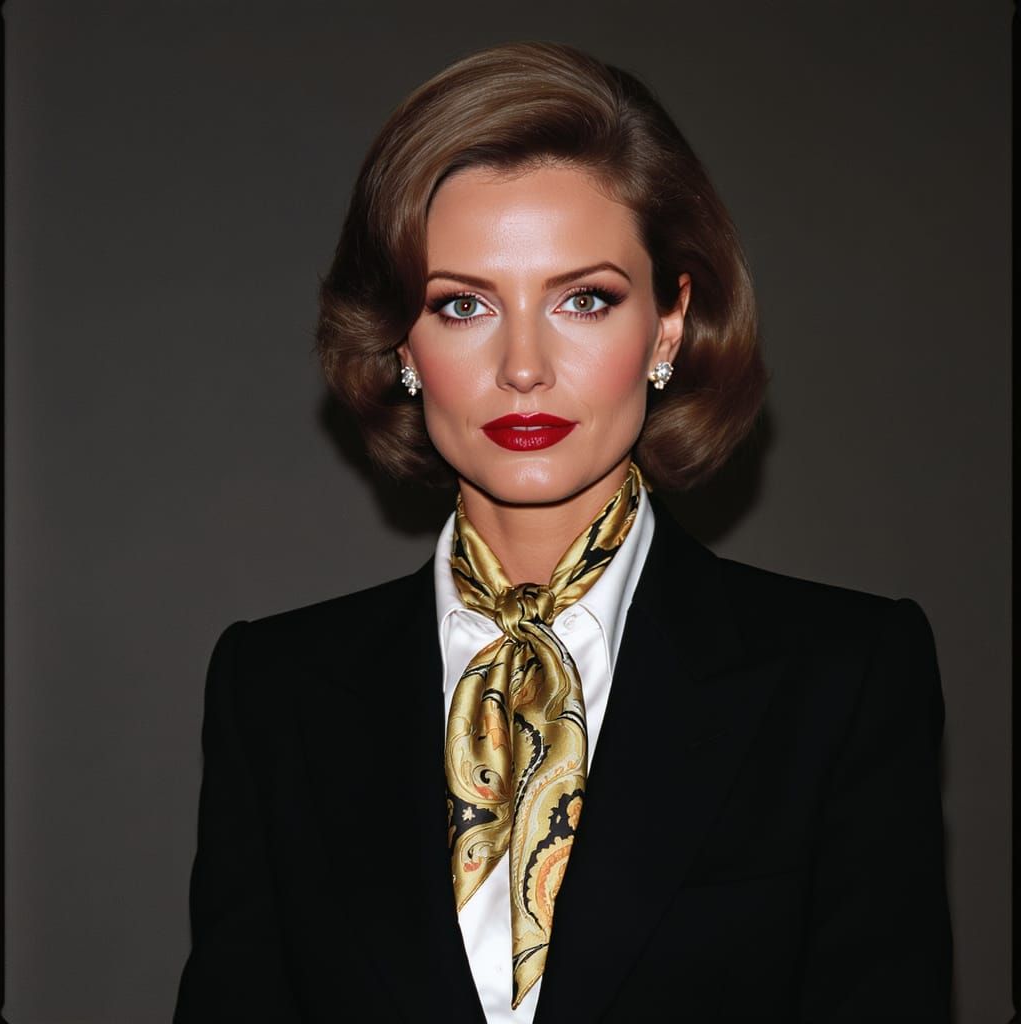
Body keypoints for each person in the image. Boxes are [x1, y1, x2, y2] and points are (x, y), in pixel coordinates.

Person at [173, 41, 952, 1023]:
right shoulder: (273, 693)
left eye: (583, 299)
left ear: (669, 323)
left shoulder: (844, 679)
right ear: (401, 342)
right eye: (463, 305)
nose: (524, 366)